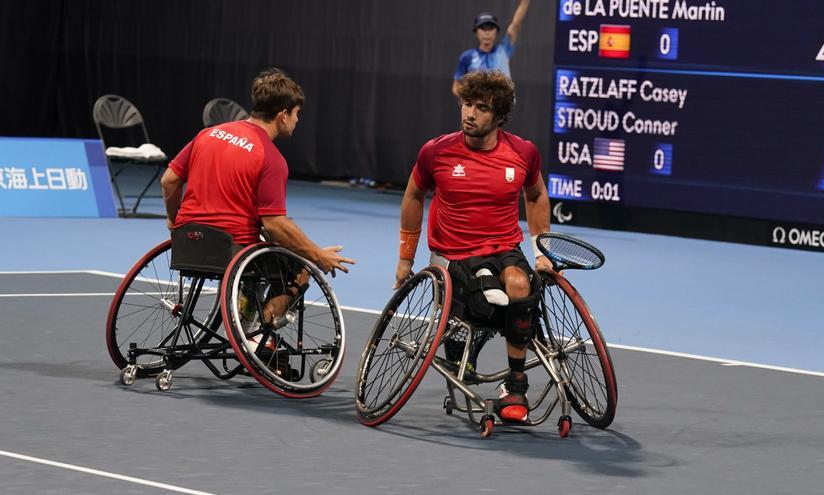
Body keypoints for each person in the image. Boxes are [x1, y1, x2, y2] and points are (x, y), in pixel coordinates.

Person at [396, 70, 550, 423]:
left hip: (504, 248)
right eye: (466, 104)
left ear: (499, 116)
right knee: (486, 295)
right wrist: (406, 258)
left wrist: (540, 252)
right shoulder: (436, 152)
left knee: (520, 286)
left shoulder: (522, 152)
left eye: (481, 108)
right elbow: (413, 195)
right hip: (454, 254)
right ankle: (464, 335)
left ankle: (515, 384)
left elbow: (537, 194)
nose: (469, 114)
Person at [161, 68, 355, 322]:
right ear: (283, 115)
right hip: (231, 252)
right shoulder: (271, 158)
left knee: (264, 250)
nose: (297, 120)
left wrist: (175, 220)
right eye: (297, 114)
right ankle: (256, 340)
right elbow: (274, 225)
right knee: (299, 270)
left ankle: (246, 312)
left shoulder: (207, 134)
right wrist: (317, 255)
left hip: (186, 243)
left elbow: (169, 181)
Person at [452, 0, 531, 97]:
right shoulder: (467, 57)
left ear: (496, 32)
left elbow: (516, 24)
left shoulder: (503, 51)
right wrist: (471, 100)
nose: (487, 33)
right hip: (477, 108)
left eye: (490, 28)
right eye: (483, 28)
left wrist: (524, 2)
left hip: (500, 107)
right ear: (476, 31)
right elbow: (456, 87)